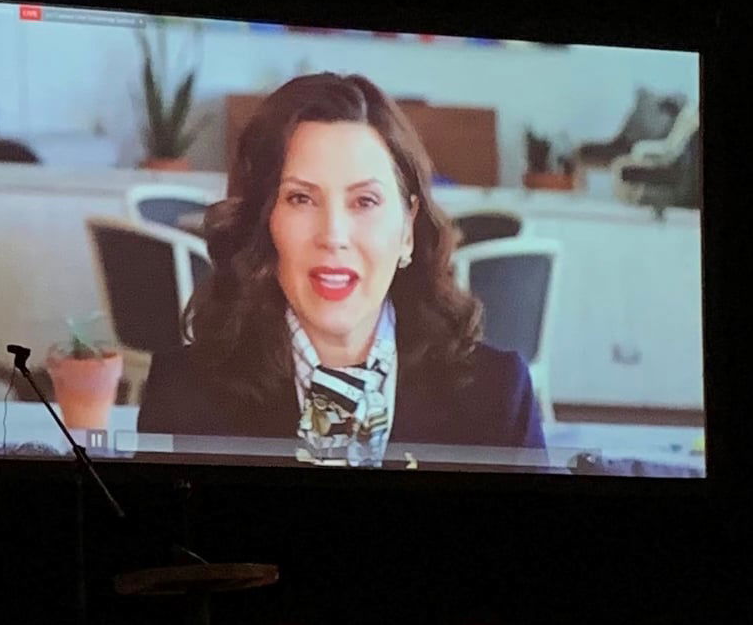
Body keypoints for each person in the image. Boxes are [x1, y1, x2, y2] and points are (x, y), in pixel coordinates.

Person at [139, 72, 544, 456]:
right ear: (264, 223)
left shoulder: (498, 396)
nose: (333, 235)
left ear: (407, 229)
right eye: (301, 198)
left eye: (364, 201)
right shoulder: (182, 394)